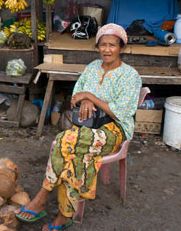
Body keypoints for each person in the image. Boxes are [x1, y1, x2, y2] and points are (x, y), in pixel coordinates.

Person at [15, 23, 142, 230]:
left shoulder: (130, 76)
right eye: (102, 45)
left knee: (65, 141)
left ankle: (41, 198)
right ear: (97, 46)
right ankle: (64, 216)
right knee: (73, 153)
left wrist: (91, 96)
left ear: (122, 48)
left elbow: (121, 112)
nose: (107, 50)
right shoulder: (92, 68)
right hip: (87, 127)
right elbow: (75, 96)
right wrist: (84, 101)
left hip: (114, 130)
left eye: (112, 45)